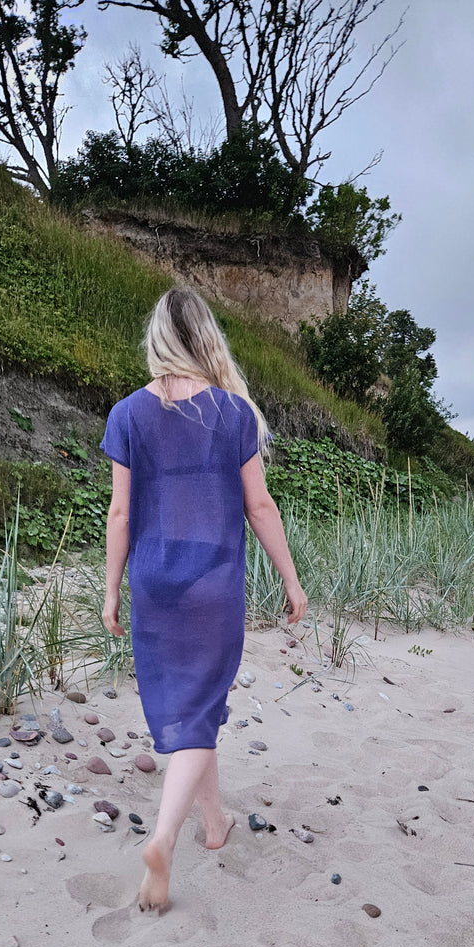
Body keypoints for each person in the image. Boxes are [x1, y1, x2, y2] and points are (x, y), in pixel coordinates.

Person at [101, 287, 307, 911]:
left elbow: (119, 513)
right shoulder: (234, 413)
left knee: (196, 703)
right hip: (213, 581)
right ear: (206, 337)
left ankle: (213, 826)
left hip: (154, 580)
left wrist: (110, 590)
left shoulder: (127, 414)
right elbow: (260, 505)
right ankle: (163, 839)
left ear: (159, 337)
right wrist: (291, 580)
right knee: (203, 703)